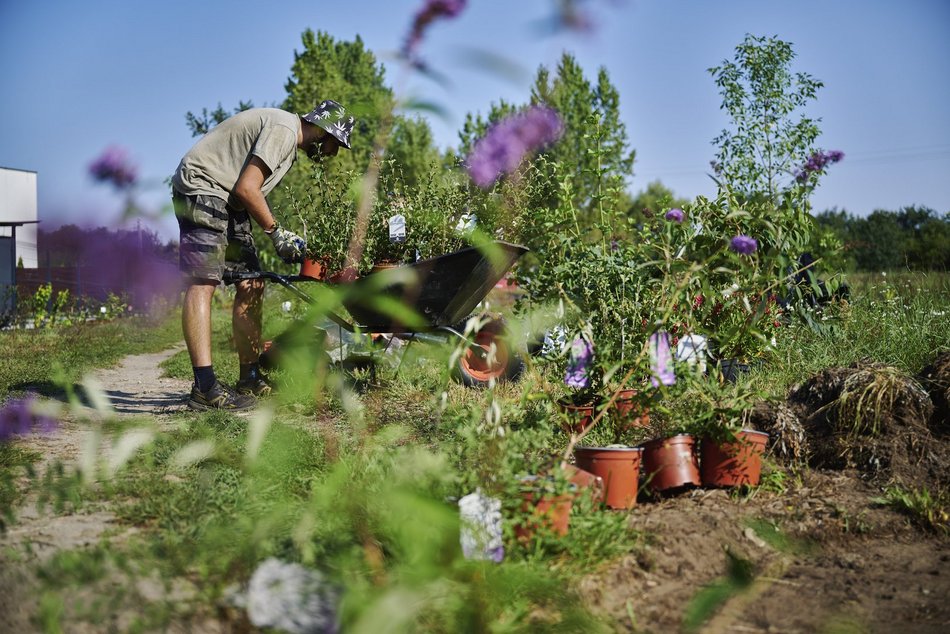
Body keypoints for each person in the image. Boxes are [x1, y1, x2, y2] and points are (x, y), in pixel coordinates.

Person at [171, 100, 355, 411]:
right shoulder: (284, 130)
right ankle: (204, 386)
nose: (334, 154)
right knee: (203, 282)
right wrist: (276, 233)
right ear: (324, 133)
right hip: (203, 187)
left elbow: (245, 193)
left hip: (229, 200)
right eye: (336, 145)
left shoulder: (288, 144)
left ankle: (250, 378)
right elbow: (248, 188)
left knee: (252, 282)